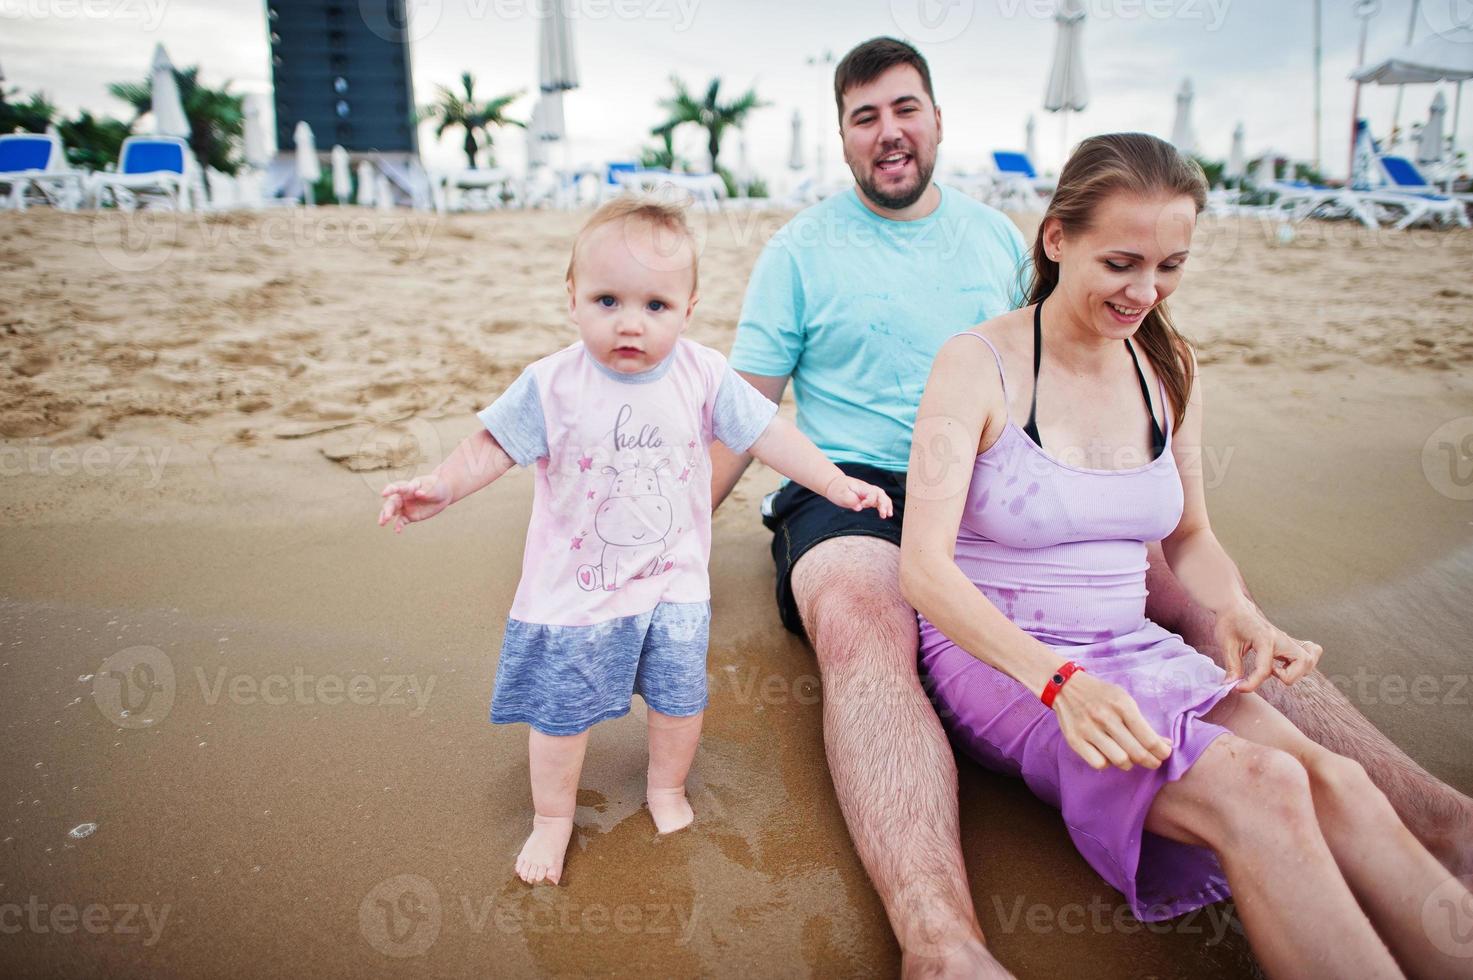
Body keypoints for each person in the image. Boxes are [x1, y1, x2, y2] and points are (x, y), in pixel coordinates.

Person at [710, 36, 1473, 977]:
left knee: (1198, 605)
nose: (888, 130)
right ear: (842, 136)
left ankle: (1432, 820)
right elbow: (741, 410)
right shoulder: (803, 251)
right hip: (857, 483)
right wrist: (668, 545)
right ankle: (939, 940)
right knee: (866, 621)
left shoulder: (1006, 247)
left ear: (937, 118)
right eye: (864, 116)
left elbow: (1102, 410)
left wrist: (1231, 605)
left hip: (1012, 469)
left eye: (904, 108)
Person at [901, 131, 1473, 978]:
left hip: (1128, 648)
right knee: (1264, 790)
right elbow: (923, 569)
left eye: (1169, 266)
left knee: (1340, 781)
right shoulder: (976, 365)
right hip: (1003, 657)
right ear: (1057, 239)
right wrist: (1058, 682)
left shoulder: (1166, 366)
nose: (1145, 291)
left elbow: (1189, 537)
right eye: (1121, 263)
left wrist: (1235, 609)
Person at [378, 198, 892, 886]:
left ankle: (665, 787)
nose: (630, 322)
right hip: (575, 591)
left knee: (679, 699)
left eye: (655, 305)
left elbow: (768, 434)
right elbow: (492, 445)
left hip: (671, 580)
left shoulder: (703, 375)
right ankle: (553, 818)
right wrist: (441, 486)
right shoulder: (553, 382)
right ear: (571, 299)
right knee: (563, 715)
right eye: (606, 300)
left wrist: (831, 483)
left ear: (687, 307)